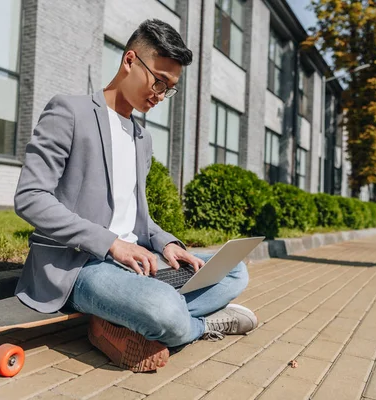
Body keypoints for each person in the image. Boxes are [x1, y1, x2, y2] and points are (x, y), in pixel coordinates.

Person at [13, 19, 257, 372]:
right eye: (158, 80)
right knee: (163, 309)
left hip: (137, 261)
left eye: (170, 88)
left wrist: (168, 244)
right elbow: (30, 196)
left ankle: (121, 317)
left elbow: (135, 215)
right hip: (81, 265)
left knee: (234, 272)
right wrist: (112, 243)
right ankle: (198, 325)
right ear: (130, 61)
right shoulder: (70, 112)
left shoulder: (143, 138)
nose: (160, 93)